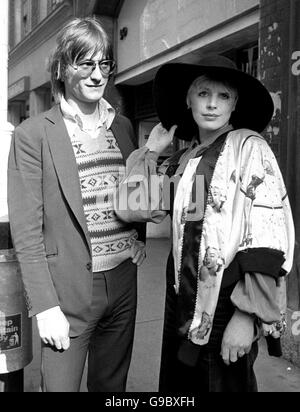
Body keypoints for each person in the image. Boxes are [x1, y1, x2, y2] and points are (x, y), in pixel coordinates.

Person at [115, 55, 295, 392]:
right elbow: (132, 208)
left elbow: (268, 231)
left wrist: (246, 315)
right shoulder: (187, 160)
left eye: (223, 96)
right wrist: (151, 152)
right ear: (188, 99)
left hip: (229, 304)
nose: (212, 104)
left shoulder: (248, 148)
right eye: (203, 93)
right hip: (182, 303)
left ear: (235, 103)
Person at [7, 17, 146, 392]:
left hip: (122, 283)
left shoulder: (124, 127)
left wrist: (139, 237)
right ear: (61, 68)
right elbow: (26, 230)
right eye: (85, 63)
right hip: (66, 292)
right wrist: (45, 306)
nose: (97, 74)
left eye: (104, 64)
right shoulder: (33, 134)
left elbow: (135, 190)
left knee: (112, 390)